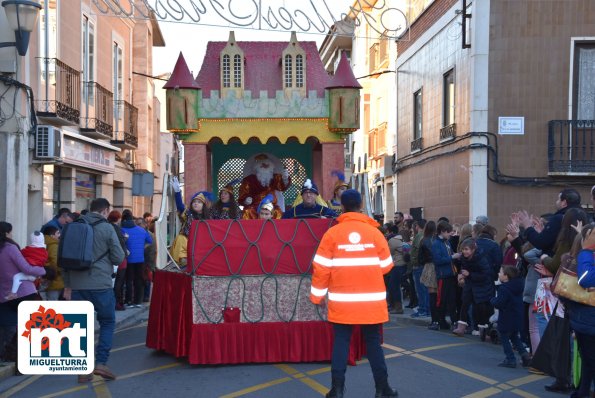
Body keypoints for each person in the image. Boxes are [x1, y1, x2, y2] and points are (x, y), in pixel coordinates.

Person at [310, 189, 398, 398]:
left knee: (341, 342)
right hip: (371, 302)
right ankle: (382, 388)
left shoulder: (332, 234)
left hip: (343, 302)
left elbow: (321, 268)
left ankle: (338, 389)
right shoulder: (375, 233)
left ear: (342, 206)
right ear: (361, 206)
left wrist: (316, 296)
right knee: (373, 344)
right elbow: (386, 266)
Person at [62, 198, 125, 382]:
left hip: (76, 285)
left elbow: (63, 259)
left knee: (81, 327)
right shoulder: (107, 228)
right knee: (106, 322)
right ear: (105, 211)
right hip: (100, 285)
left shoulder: (72, 226)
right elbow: (118, 257)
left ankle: (83, 369)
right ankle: (101, 363)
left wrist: (67, 285)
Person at [0, 222, 46, 362]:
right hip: (23, 293)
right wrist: (43, 271)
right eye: (11, 232)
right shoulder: (10, 248)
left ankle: (6, 355)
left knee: (7, 328)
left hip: (3, 296)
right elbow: (27, 269)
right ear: (7, 233)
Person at [567, 224, 595, 398]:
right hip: (585, 321)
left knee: (590, 361)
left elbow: (585, 278)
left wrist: (585, 250)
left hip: (587, 322)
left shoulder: (584, 256)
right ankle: (582, 392)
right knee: (588, 361)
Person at [490, 265, 531, 368]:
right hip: (517, 316)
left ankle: (510, 358)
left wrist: (492, 300)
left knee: (504, 337)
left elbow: (499, 303)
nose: (498, 274)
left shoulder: (504, 288)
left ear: (506, 276)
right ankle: (525, 357)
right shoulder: (518, 286)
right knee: (514, 337)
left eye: (500, 272)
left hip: (507, 317)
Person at [452, 238, 494, 338]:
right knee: (465, 304)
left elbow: (485, 274)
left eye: (466, 249)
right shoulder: (463, 257)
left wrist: (469, 274)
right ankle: (461, 328)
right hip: (470, 283)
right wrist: (461, 274)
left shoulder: (481, 259)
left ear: (473, 249)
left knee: (480, 307)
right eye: (463, 249)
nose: (464, 251)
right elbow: (463, 267)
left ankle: (483, 330)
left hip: (482, 285)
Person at [170, 177, 212, 267]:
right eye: (194, 202)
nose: (196, 203)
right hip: (187, 241)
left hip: (201, 243)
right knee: (181, 238)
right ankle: (183, 260)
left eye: (199, 202)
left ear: (203, 206)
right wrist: (177, 192)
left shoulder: (208, 218)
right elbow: (180, 207)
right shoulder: (188, 214)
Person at [238, 153, 291, 219]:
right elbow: (243, 193)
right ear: (256, 167)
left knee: (277, 212)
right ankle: (251, 229)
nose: (265, 167)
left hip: (271, 205)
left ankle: (275, 229)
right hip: (255, 205)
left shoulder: (275, 177)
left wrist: (285, 178)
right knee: (247, 212)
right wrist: (246, 200)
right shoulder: (249, 180)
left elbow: (282, 186)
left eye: (267, 165)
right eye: (262, 165)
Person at [120, 210, 153, 308]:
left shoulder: (122, 229)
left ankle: (128, 301)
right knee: (138, 280)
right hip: (140, 259)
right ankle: (138, 301)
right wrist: (143, 247)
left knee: (129, 280)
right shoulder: (142, 230)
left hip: (129, 259)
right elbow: (150, 241)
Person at [431, 221, 460, 330]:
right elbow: (438, 260)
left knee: (452, 300)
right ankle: (440, 321)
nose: (450, 235)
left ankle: (454, 321)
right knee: (441, 300)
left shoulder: (446, 242)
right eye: (449, 232)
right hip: (443, 275)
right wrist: (452, 257)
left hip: (451, 274)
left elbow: (451, 254)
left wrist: (456, 256)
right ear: (442, 232)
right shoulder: (436, 244)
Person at [5, 231, 48, 301]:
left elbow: (21, 255)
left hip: (30, 275)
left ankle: (13, 294)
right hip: (35, 275)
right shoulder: (44, 251)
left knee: (16, 277)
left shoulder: (28, 250)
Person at [42, 226, 63, 301]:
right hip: (55, 279)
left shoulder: (43, 243)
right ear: (52, 236)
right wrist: (63, 271)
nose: (59, 235)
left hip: (46, 278)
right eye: (57, 233)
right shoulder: (54, 245)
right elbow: (55, 262)